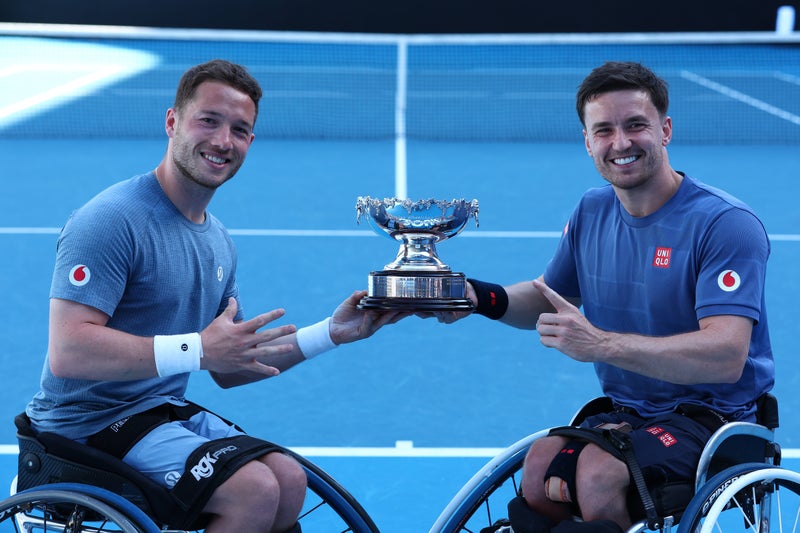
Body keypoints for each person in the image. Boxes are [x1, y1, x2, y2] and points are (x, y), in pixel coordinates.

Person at [25, 59, 404, 533]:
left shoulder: (218, 240)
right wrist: (198, 349)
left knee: (287, 478)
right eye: (209, 120)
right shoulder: (110, 220)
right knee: (254, 489)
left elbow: (231, 365)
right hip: (83, 429)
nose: (223, 141)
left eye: (240, 129)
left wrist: (332, 333)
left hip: (153, 415)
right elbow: (69, 352)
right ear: (172, 122)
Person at [430, 61, 774, 533]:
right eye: (604, 130)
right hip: (628, 413)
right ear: (588, 142)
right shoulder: (592, 209)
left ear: (665, 129)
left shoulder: (724, 224)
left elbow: (726, 357)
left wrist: (601, 345)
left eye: (636, 125)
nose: (621, 143)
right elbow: (550, 298)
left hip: (713, 419)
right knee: (538, 469)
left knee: (597, 474)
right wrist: (473, 297)